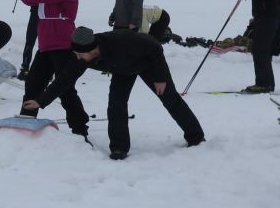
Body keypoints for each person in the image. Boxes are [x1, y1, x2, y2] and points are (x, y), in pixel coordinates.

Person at [24, 27, 205, 160]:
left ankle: (195, 136)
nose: (77, 57)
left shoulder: (121, 40)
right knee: (116, 105)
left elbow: (155, 48)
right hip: (122, 70)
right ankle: (119, 148)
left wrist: (160, 77)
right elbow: (64, 80)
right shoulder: (82, 57)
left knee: (170, 99)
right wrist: (41, 101)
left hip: (148, 63)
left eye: (79, 54)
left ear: (91, 49)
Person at [0, 0, 89, 139]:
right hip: (46, 46)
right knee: (32, 86)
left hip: (63, 46)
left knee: (66, 91)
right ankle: (25, 124)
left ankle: (80, 130)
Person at [240, 0, 279, 93]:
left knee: (260, 50)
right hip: (261, 15)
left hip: (268, 16)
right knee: (258, 49)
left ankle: (265, 84)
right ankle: (264, 83)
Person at [18, 0, 41, 80]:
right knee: (44, 43)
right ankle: (47, 71)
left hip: (36, 14)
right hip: (46, 14)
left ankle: (25, 69)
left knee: (30, 42)